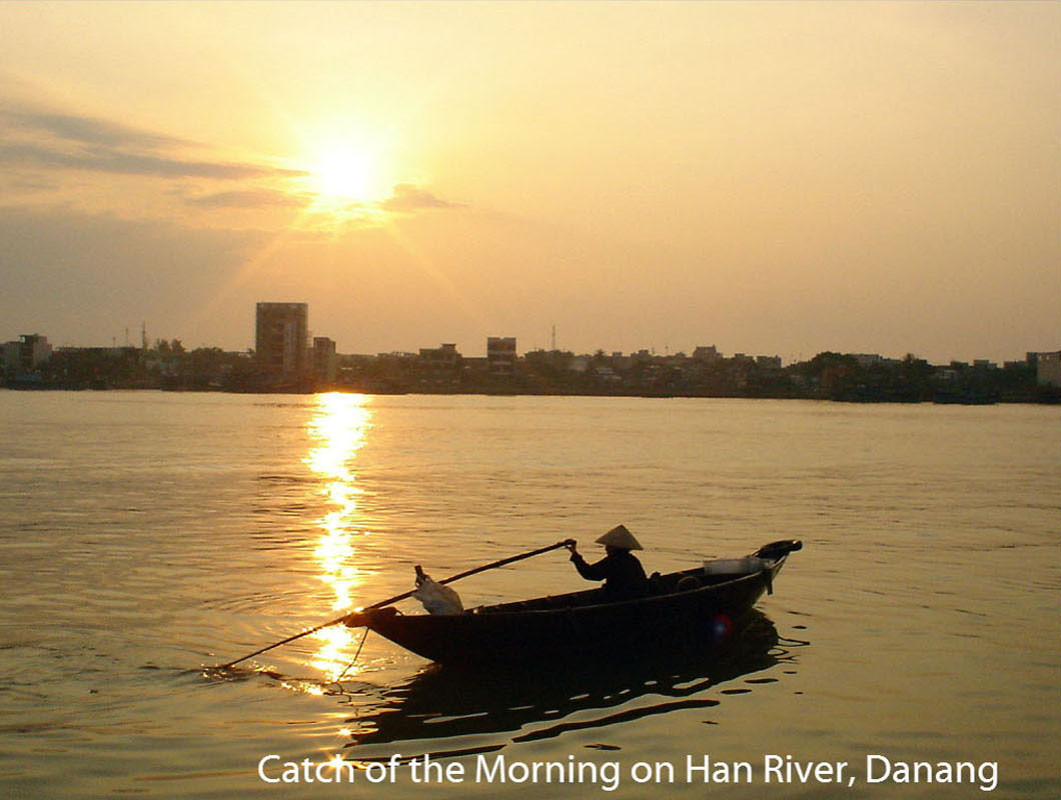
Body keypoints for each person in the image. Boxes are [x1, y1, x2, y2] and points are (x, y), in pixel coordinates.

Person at [566, 524, 648, 599]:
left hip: (619, 598)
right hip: (634, 596)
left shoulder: (614, 561)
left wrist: (575, 554)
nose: (606, 549)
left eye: (609, 546)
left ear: (615, 548)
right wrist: (574, 553)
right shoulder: (632, 559)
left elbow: (591, 574)